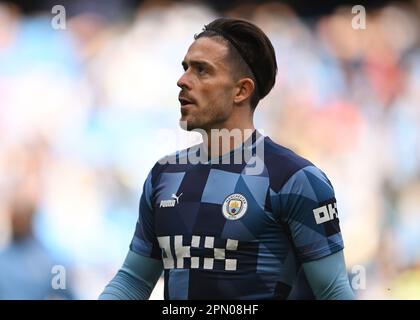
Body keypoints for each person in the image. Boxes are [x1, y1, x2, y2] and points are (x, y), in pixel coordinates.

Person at [99, 17, 354, 300]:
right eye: (186, 68)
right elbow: (132, 282)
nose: (182, 80)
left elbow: (333, 291)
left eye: (202, 71)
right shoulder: (164, 174)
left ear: (241, 90)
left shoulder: (294, 179)